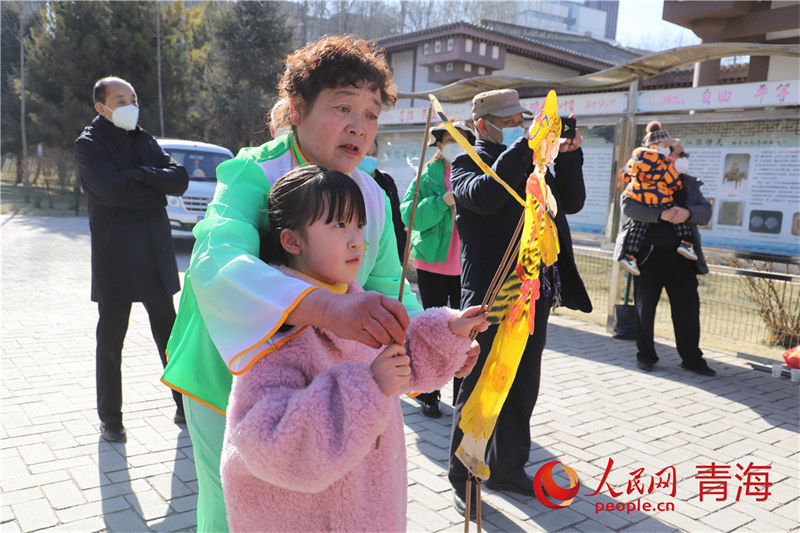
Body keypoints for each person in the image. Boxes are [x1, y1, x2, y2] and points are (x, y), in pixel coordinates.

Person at [161, 35, 480, 532]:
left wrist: (443, 334)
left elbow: (391, 289)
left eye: (372, 114)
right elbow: (215, 261)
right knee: (233, 512)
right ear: (296, 108)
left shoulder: (370, 197)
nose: (359, 126)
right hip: (225, 372)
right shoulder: (254, 171)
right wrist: (328, 310)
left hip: (331, 387)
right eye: (343, 107)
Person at [221, 165, 486, 532]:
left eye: (359, 226)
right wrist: (368, 385)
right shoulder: (278, 322)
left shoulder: (353, 299)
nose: (355, 240)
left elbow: (398, 363)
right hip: (306, 518)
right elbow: (264, 438)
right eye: (338, 225)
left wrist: (448, 333)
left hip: (368, 504)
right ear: (292, 241)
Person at [448, 89, 592, 514]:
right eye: (509, 121)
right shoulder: (465, 161)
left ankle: (508, 468)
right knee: (478, 389)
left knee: (522, 386)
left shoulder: (536, 163)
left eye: (521, 120)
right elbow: (486, 197)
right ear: (482, 124)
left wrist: (565, 155)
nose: (518, 126)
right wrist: (525, 146)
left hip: (535, 294)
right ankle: (465, 479)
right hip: (491, 296)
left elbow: (574, 202)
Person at [74, 76, 189, 443]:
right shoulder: (89, 145)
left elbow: (179, 179)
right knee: (110, 343)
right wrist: (154, 191)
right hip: (116, 259)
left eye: (134, 98)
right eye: (121, 99)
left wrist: (140, 175)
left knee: (169, 338)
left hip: (154, 255)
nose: (130, 105)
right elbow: (112, 192)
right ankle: (111, 419)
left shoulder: (144, 138)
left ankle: (185, 406)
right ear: (101, 107)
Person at [615, 142, 716, 376]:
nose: (684, 157)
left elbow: (705, 211)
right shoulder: (642, 177)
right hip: (647, 254)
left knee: (688, 308)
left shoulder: (688, 183)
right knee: (645, 307)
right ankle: (646, 355)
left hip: (683, 255)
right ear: (666, 156)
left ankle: (692, 358)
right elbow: (628, 206)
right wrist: (660, 214)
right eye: (681, 154)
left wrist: (687, 214)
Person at [400, 121, 475, 418]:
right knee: (431, 331)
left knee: (464, 334)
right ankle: (429, 392)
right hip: (432, 264)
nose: (455, 145)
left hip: (466, 266)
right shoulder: (427, 175)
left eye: (462, 140)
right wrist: (443, 201)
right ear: (439, 145)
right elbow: (411, 216)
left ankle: (462, 396)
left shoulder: (479, 173)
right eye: (449, 140)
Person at [617, 121, 697, 276]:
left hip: (638, 196)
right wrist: (676, 183)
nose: (669, 149)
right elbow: (673, 182)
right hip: (659, 197)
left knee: (638, 226)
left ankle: (628, 255)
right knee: (676, 214)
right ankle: (686, 242)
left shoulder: (635, 157)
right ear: (656, 146)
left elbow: (626, 174)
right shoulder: (664, 163)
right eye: (666, 145)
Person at [359, 139, 406, 258]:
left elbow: (396, 216)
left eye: (374, 154)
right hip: (366, 248)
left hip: (391, 248)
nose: (370, 158)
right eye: (366, 154)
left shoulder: (387, 181)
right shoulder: (351, 182)